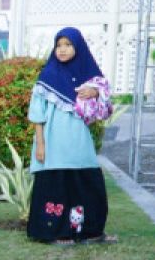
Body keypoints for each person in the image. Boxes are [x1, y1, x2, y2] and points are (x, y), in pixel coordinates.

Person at [26, 28, 117, 245]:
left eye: (68, 44)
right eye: (59, 45)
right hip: (54, 145)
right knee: (55, 187)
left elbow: (104, 99)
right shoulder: (47, 77)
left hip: (79, 144)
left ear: (78, 47)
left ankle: (90, 232)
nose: (63, 49)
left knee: (87, 184)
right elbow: (37, 115)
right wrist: (40, 144)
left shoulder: (87, 78)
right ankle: (56, 233)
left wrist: (95, 92)